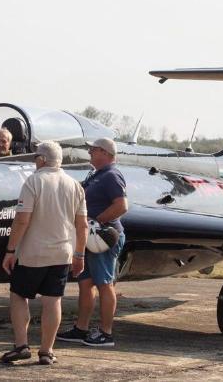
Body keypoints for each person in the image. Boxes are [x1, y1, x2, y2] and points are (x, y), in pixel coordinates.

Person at [0, 141, 88, 365]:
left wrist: (10, 250)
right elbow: (82, 226)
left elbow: (22, 220)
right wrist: (79, 255)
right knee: (53, 301)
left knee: (19, 295)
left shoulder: (33, 181)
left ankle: (21, 345)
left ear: (41, 159)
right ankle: (47, 351)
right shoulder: (75, 185)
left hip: (32, 253)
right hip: (62, 253)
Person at [57, 137, 128, 347]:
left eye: (94, 150)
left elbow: (122, 206)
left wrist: (97, 222)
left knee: (104, 284)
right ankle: (82, 328)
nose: (90, 153)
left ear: (105, 153)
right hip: (89, 238)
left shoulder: (111, 176)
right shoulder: (97, 175)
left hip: (103, 238)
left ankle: (106, 333)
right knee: (86, 283)